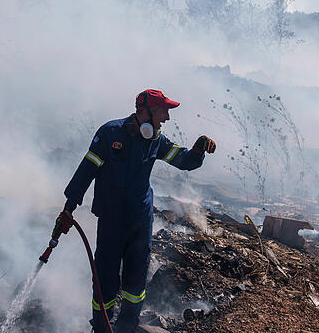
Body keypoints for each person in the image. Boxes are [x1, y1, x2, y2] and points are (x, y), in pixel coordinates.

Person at [53, 89, 216, 333]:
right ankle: (102, 328)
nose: (167, 118)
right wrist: (69, 208)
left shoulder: (156, 140)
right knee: (106, 282)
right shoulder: (109, 134)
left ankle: (126, 328)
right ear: (145, 112)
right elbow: (86, 172)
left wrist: (197, 151)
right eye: (163, 112)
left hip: (141, 221)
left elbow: (183, 160)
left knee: (135, 284)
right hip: (112, 222)